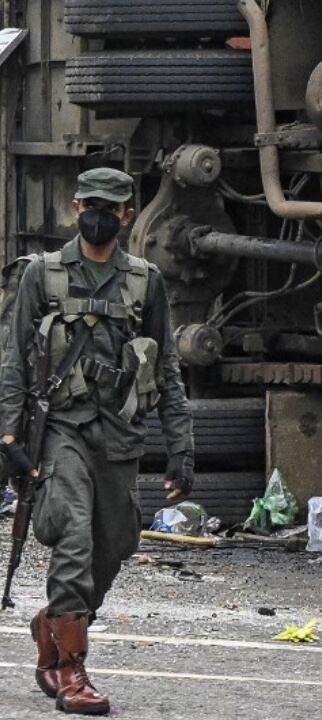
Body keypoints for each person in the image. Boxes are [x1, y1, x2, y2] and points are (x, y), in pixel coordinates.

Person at [0, 167, 195, 715]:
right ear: (76, 207)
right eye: (91, 206)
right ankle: (71, 670)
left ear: (128, 215)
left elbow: (168, 367)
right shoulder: (42, 274)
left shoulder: (145, 280)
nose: (99, 216)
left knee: (116, 543)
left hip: (120, 432)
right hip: (60, 428)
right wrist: (9, 433)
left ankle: (54, 623)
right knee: (74, 537)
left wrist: (181, 447)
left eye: (111, 208)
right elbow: (14, 359)